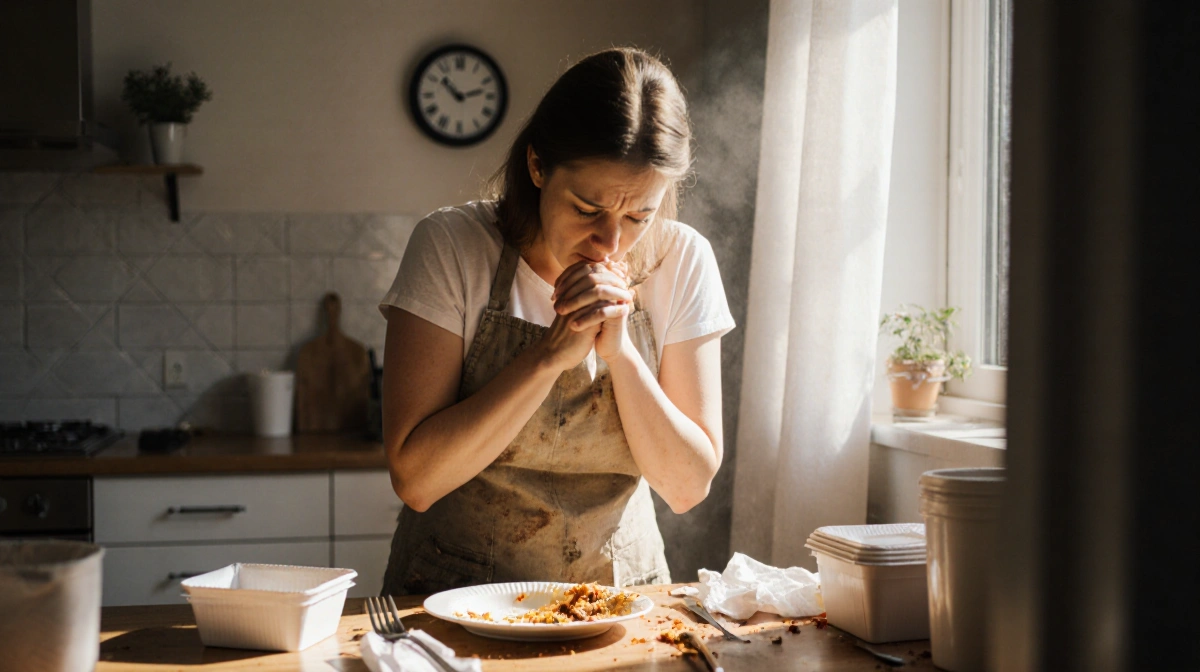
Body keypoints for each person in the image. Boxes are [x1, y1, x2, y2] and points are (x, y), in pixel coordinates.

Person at [377, 47, 734, 596]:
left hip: (617, 601)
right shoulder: (452, 247)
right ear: (538, 166)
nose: (611, 241)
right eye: (588, 210)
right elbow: (417, 480)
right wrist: (549, 356)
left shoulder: (681, 260)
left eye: (640, 214)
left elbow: (687, 487)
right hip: (449, 598)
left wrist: (620, 354)